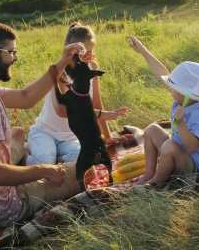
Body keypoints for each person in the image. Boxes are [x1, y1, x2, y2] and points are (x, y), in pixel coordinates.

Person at [0, 20, 83, 241]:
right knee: (82, 169)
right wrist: (44, 169)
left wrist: (63, 62)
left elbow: (26, 98)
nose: (15, 58)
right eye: (11, 52)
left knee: (17, 134)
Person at [26, 22, 129, 166]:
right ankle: (25, 152)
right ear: (70, 50)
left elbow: (97, 104)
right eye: (83, 52)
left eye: (91, 51)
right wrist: (103, 114)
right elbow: (63, 110)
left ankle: (59, 160)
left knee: (87, 158)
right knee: (46, 160)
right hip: (45, 132)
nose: (88, 56)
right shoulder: (59, 71)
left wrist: (106, 136)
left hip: (71, 137)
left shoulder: (92, 68)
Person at [127, 36, 199, 187]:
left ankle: (156, 184)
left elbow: (193, 147)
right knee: (151, 130)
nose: (170, 90)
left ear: (185, 93)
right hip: (176, 153)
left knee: (168, 145)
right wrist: (142, 50)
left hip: (194, 167)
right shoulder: (181, 99)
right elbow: (161, 73)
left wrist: (180, 124)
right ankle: (149, 173)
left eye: (173, 88)